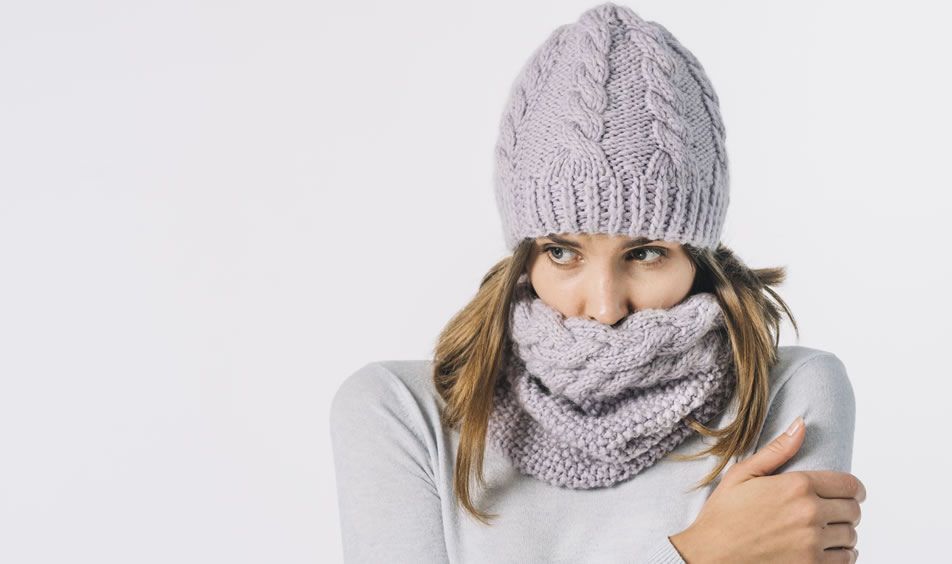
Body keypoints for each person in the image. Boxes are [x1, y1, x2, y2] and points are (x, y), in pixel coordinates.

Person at [328, 3, 865, 563]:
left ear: (697, 257)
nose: (605, 308)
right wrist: (696, 554)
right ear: (526, 259)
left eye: (646, 253)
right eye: (563, 253)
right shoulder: (399, 412)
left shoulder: (788, 395)